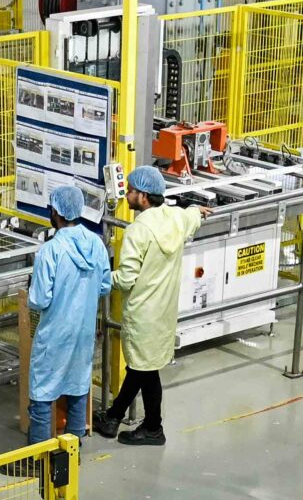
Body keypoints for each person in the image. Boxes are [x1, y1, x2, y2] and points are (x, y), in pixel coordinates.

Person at [93, 165, 205, 447]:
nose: (126, 195)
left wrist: (100, 278)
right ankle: (116, 418)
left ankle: (148, 426)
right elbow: (191, 217)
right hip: (164, 311)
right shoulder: (176, 218)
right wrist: (197, 211)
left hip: (143, 312)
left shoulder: (138, 232)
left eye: (130, 190)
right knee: (144, 367)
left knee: (143, 368)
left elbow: (127, 278)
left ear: (143, 196)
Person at [11, 179, 112, 481]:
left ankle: (39, 459)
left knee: (42, 395)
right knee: (78, 388)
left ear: (55, 212)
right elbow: (105, 285)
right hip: (83, 331)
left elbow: (40, 299)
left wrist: (30, 292)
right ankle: (72, 452)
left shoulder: (50, 251)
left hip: (55, 333)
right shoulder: (96, 244)